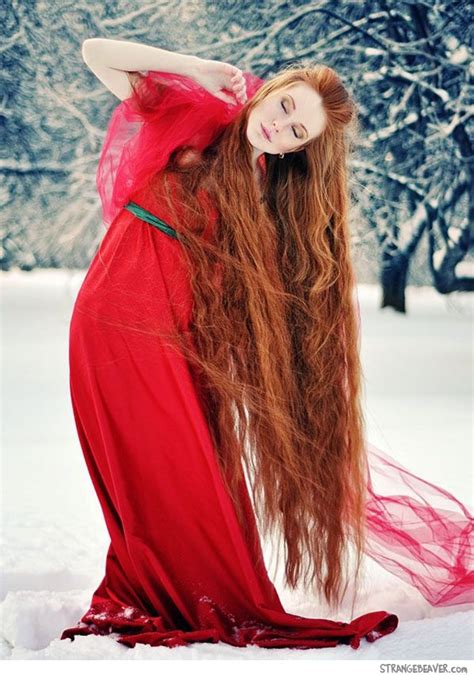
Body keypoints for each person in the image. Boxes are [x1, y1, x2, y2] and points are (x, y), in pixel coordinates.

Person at [60, 38, 472, 650]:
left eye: (297, 132)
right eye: (285, 108)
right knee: (155, 465)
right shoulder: (198, 115)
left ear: (302, 149)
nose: (280, 128)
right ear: (272, 90)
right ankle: (175, 590)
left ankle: (189, 588)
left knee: (195, 471)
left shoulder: (266, 191)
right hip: (118, 314)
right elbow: (95, 51)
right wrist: (193, 68)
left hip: (181, 335)